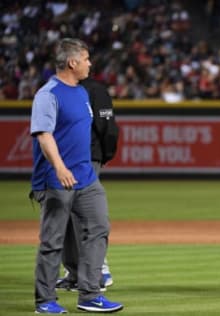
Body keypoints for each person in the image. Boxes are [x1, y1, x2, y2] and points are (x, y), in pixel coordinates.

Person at [30, 38, 123, 313]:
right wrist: (59, 167)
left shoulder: (82, 93)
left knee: (99, 228)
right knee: (53, 241)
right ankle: (45, 301)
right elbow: (44, 136)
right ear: (72, 62)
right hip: (57, 179)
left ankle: (90, 294)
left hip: (86, 178)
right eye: (86, 58)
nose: (89, 63)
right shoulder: (48, 94)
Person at [55, 76, 119, 292]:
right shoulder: (56, 90)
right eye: (85, 59)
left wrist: (103, 155)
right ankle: (73, 273)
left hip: (86, 158)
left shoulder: (94, 90)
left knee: (85, 216)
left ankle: (100, 272)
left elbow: (107, 127)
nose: (88, 63)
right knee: (65, 216)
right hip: (62, 160)